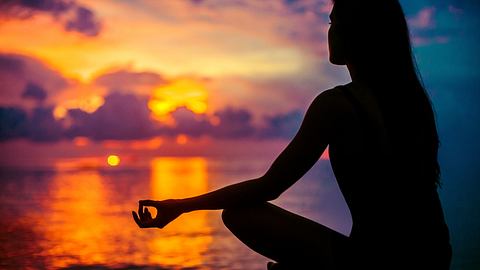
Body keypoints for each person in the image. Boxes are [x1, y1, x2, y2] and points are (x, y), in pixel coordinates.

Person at [132, 0, 452, 269]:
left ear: (359, 33)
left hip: (373, 262)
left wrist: (181, 206)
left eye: (335, 22)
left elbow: (268, 187)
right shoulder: (411, 101)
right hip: (433, 255)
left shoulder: (337, 104)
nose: (330, 31)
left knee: (241, 214)